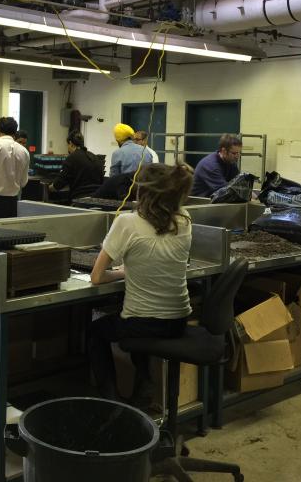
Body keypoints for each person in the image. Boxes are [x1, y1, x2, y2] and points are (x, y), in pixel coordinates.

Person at [89, 163, 194, 403]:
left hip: (144, 323)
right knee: (134, 316)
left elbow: (96, 278)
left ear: (142, 191)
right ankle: (143, 379)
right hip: (178, 320)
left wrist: (123, 273)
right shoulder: (185, 219)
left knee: (97, 331)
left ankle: (111, 399)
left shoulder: (127, 222)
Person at [51, 131, 105, 200]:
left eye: (67, 145)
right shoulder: (95, 158)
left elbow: (58, 185)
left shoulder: (71, 158)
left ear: (70, 143)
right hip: (97, 199)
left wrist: (48, 188)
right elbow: (101, 181)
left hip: (79, 200)